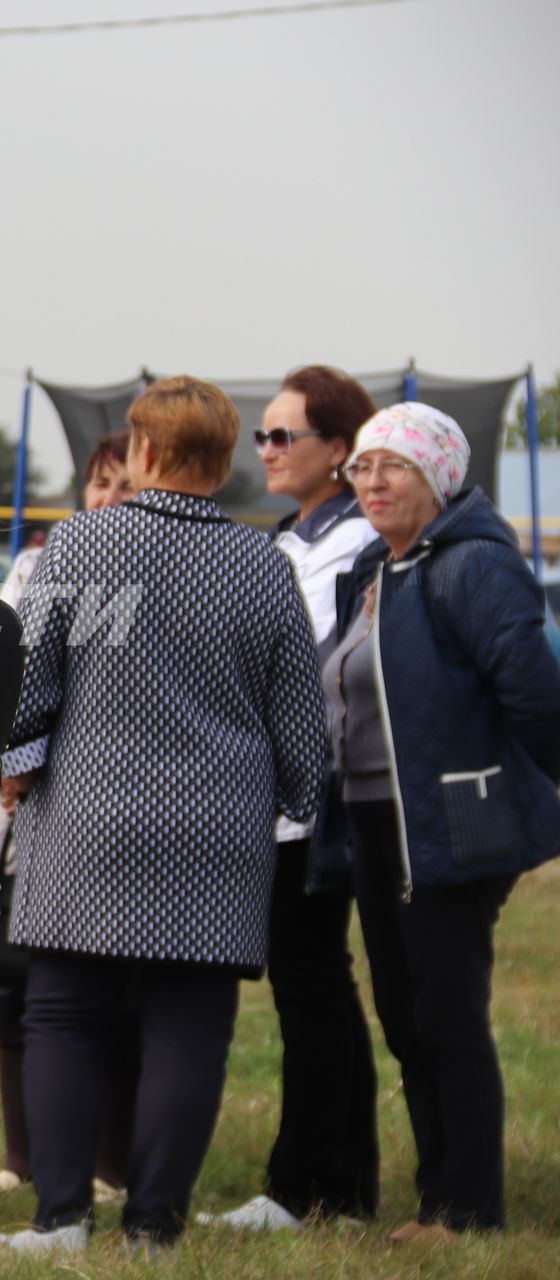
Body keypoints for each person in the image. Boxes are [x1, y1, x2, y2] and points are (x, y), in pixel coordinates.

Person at [0, 376, 327, 1254]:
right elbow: (299, 721)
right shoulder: (266, 565)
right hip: (220, 831)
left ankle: (60, 1218)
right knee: (190, 1028)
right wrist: (298, 804)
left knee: (61, 1015)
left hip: (88, 821)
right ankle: (155, 1226)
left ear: (141, 450)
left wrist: (12, 769)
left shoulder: (76, 547)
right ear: (223, 459)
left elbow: (26, 691)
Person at [328, 403, 560, 1243]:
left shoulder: (473, 567)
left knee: (446, 1013)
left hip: (454, 816)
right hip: (374, 820)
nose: (374, 481)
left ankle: (468, 1212)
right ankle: (437, 1200)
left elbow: (534, 694)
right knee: (403, 1012)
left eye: (395, 465)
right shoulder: (372, 571)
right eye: (362, 466)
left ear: (441, 476)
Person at [203, 365, 381, 1233]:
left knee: (313, 981)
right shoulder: (285, 542)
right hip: (271, 799)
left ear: (338, 450)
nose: (265, 450)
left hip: (322, 798)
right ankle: (336, 1184)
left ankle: (311, 1186)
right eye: (260, 436)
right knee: (313, 984)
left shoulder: (359, 546)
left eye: (283, 436)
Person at [0, 431, 140, 1206]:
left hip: (97, 814)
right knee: (13, 990)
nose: (108, 499)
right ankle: (19, 1159)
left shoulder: (161, 578)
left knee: (105, 999)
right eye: (100, 485)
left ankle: (109, 1169)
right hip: (13, 808)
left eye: (126, 486)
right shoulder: (36, 564)